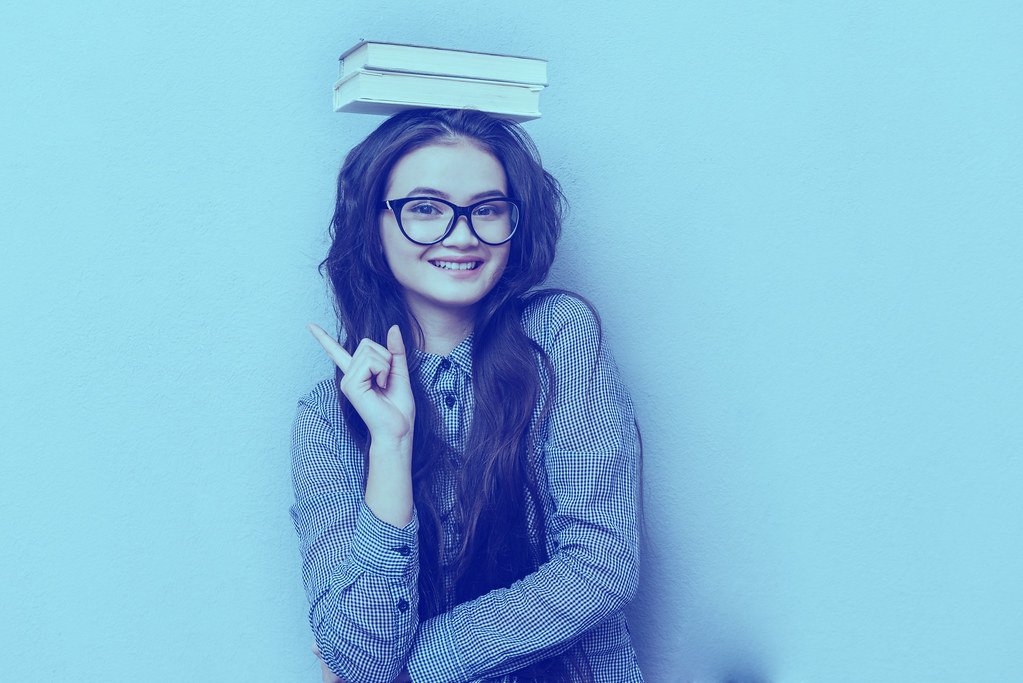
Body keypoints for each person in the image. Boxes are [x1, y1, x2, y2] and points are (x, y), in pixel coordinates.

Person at [290, 107, 642, 682]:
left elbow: (601, 567)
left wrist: (407, 671)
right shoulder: (328, 419)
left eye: (487, 210)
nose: (462, 235)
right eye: (425, 209)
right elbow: (358, 660)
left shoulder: (557, 338)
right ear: (371, 225)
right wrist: (390, 446)